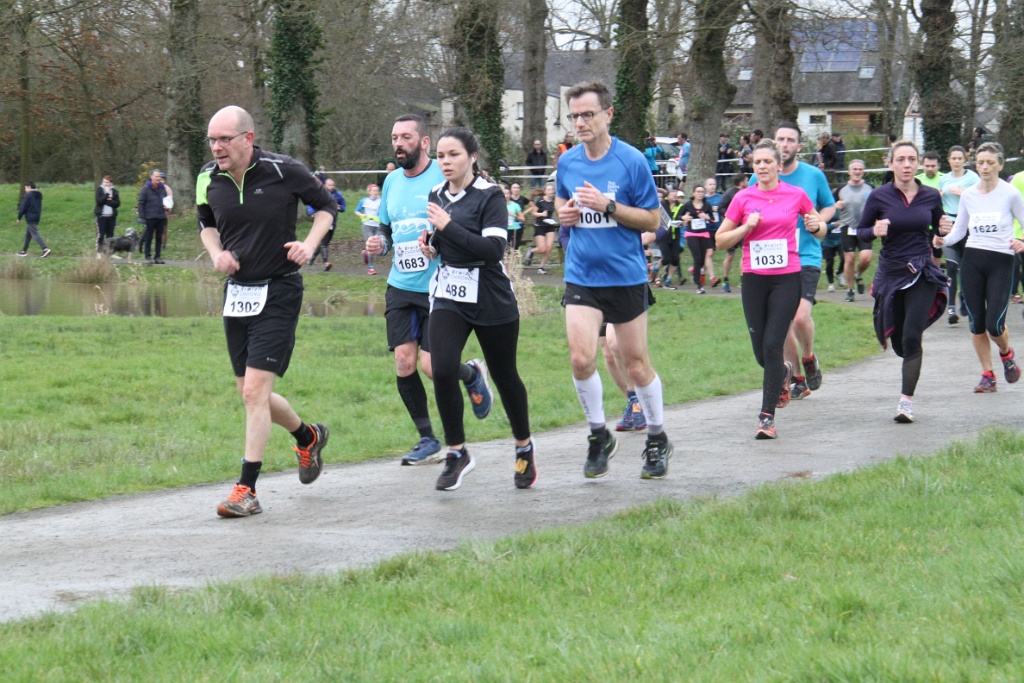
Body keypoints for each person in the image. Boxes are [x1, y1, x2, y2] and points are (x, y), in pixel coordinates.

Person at [196, 105, 336, 517]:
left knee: (255, 392)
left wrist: (309, 245)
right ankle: (308, 437)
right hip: (238, 292)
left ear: (248, 138)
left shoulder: (283, 170)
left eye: (225, 139)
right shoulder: (208, 176)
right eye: (212, 140)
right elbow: (206, 223)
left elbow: (326, 208)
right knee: (249, 392)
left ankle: (247, 490)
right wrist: (216, 253)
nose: (217, 147)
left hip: (279, 289)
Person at [555, 80, 674, 480]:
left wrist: (608, 206)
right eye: (574, 116)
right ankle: (598, 435)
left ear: (607, 114)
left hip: (624, 275)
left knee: (636, 365)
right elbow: (560, 202)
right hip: (582, 275)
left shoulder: (632, 161)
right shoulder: (568, 162)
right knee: (580, 357)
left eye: (587, 114)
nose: (580, 123)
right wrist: (564, 214)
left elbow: (652, 219)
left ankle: (656, 438)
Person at [365, 114, 491, 466]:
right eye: (394, 137)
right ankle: (428, 439)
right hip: (401, 285)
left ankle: (471, 374)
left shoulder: (443, 172)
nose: (398, 143)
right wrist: (381, 245)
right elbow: (386, 231)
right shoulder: (391, 181)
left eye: (406, 137)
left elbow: (472, 212)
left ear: (424, 142)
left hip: (439, 285)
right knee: (404, 362)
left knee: (433, 367)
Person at [417, 126, 536, 491]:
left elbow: (492, 250)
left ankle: (524, 446)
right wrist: (432, 245)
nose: (445, 162)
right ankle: (457, 453)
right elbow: (443, 239)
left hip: (490, 295)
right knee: (441, 368)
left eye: (453, 154)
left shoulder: (490, 196)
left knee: (505, 376)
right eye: (440, 155)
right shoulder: (436, 193)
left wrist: (448, 227)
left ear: (472, 157)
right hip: (450, 293)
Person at [716, 139, 820, 439]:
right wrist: (746, 227)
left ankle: (766, 418)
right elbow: (720, 241)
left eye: (767, 162)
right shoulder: (743, 198)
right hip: (754, 279)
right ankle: (784, 372)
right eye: (757, 162)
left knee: (773, 344)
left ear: (779, 165)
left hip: (786, 278)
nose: (762, 166)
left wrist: (816, 226)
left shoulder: (796, 195)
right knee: (762, 354)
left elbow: (820, 228)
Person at [857, 139, 950, 423]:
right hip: (891, 274)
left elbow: (938, 231)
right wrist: (874, 231)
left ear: (918, 163)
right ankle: (908, 356)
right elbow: (860, 232)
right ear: (890, 164)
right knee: (899, 342)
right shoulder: (879, 196)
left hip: (922, 271)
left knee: (912, 336)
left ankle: (905, 402)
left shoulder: (931, 195)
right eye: (900, 160)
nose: (907, 165)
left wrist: (942, 232)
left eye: (911, 159)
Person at [933, 142, 1024, 393]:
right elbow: (959, 231)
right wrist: (942, 241)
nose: (985, 167)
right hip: (972, 260)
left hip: (1001, 261)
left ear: (1000, 165)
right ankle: (987, 374)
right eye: (981, 162)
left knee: (994, 324)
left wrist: (1021, 241)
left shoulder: (1010, 194)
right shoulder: (969, 195)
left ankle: (1006, 353)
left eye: (990, 163)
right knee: (976, 323)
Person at [772, 123, 836, 400]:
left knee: (799, 316)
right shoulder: (760, 176)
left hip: (806, 255)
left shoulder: (813, 175)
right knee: (783, 322)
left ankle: (808, 356)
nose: (784, 144)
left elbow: (829, 205)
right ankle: (798, 379)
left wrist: (819, 221)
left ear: (798, 147)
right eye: (780, 139)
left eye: (790, 140)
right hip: (775, 258)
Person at [938, 145, 980, 324]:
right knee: (951, 266)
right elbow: (939, 203)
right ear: (949, 160)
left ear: (965, 160)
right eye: (953, 158)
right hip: (949, 224)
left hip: (967, 225)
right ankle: (951, 309)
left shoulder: (973, 178)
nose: (956, 161)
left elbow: (980, 199)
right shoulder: (944, 179)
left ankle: (964, 296)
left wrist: (964, 194)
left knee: (965, 267)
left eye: (959, 158)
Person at [837, 159, 874, 302]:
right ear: (849, 172)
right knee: (850, 258)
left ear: (863, 172)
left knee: (866, 257)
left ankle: (858, 274)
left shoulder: (870, 188)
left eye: (860, 169)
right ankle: (850, 290)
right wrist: (837, 206)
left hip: (865, 226)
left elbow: (878, 205)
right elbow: (830, 205)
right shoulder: (841, 189)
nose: (857, 172)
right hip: (847, 226)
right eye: (854, 169)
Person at [680, 185, 714, 294]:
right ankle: (699, 285)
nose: (700, 193)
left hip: (704, 234)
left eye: (702, 192)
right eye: (698, 191)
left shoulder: (707, 205)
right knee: (697, 258)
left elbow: (713, 219)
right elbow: (678, 217)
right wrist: (684, 218)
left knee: (702, 260)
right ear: (693, 193)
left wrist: (706, 217)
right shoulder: (688, 205)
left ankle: (694, 271)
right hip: (691, 234)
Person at [718, 174, 748, 293]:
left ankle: (742, 280)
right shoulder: (730, 193)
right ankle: (725, 279)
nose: (747, 182)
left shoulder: (747, 193)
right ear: (741, 182)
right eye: (746, 180)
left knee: (744, 254)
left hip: (743, 228)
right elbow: (720, 208)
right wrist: (732, 217)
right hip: (731, 229)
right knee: (730, 255)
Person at [307, 177, 344, 270]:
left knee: (325, 243)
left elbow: (343, 206)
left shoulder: (338, 195)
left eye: (333, 185)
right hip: (322, 222)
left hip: (332, 222)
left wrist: (340, 207)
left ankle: (311, 258)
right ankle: (326, 263)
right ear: (325, 185)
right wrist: (312, 213)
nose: (331, 187)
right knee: (323, 243)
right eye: (329, 185)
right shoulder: (320, 194)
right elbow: (311, 204)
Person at [138, 169, 168, 264]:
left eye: (159, 176)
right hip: (150, 216)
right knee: (149, 237)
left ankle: (157, 256)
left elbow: (165, 200)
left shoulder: (162, 188)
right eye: (156, 176)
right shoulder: (146, 188)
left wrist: (167, 207)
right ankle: (148, 256)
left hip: (161, 216)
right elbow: (141, 203)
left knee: (159, 237)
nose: (158, 178)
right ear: (151, 177)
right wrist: (142, 216)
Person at [527, 183, 557, 274]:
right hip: (540, 225)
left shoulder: (555, 201)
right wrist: (541, 214)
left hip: (550, 225)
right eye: (549, 189)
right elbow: (533, 213)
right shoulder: (540, 200)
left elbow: (558, 210)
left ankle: (541, 267)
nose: (551, 191)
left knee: (549, 247)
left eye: (552, 189)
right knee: (542, 248)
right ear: (545, 192)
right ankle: (531, 251)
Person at [16, 182, 50, 258]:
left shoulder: (28, 195)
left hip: (30, 217)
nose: (25, 190)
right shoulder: (39, 195)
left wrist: (19, 217)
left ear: (29, 187)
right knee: (28, 235)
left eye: (25, 188)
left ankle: (45, 248)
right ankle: (23, 251)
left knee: (34, 233)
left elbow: (23, 207)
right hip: (37, 216)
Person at [355, 183, 382, 274]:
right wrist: (362, 215)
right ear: (369, 192)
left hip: (378, 226)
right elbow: (356, 211)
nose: (375, 192)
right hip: (367, 225)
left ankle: (366, 253)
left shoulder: (381, 201)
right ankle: (371, 268)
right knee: (371, 245)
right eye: (373, 190)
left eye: (377, 190)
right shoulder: (364, 201)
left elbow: (385, 213)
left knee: (377, 246)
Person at [94, 175, 121, 254]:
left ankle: (109, 252)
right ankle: (99, 252)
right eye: (104, 182)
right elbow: (99, 202)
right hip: (101, 216)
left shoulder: (115, 192)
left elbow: (117, 204)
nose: (105, 184)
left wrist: (107, 201)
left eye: (107, 182)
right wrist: (106, 194)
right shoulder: (99, 190)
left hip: (111, 217)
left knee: (110, 235)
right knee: (101, 235)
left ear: (111, 183)